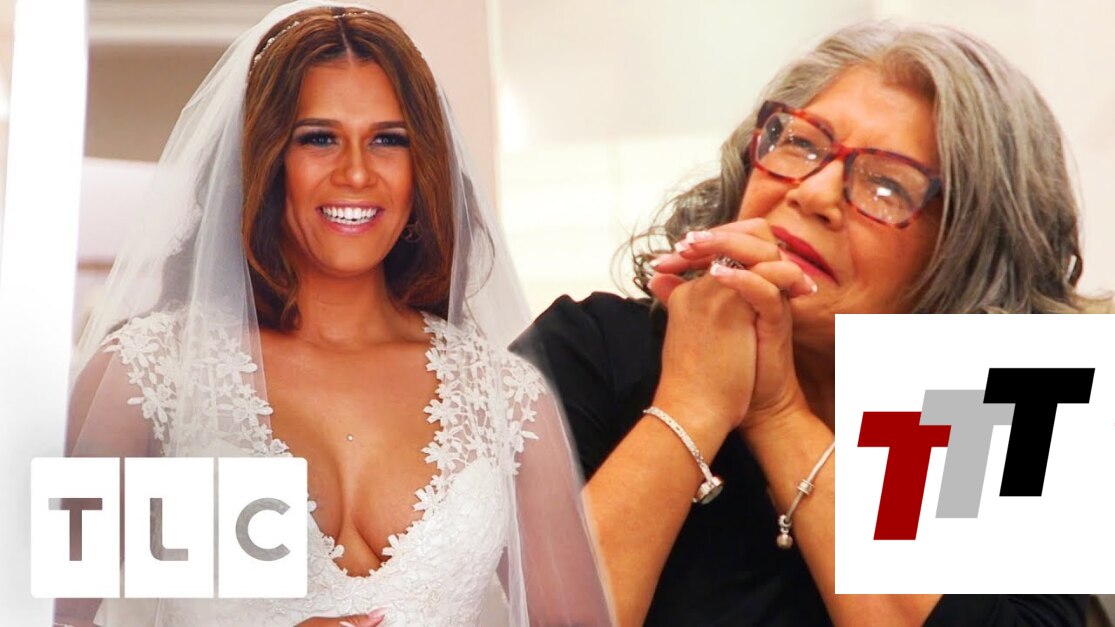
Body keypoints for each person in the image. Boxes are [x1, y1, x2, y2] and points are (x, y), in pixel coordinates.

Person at [513, 21, 1104, 627]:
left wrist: (779, 416)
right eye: (801, 142)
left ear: (967, 248)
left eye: (885, 183)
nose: (815, 193)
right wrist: (692, 402)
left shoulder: (1019, 412)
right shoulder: (589, 351)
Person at [57, 2, 611, 626]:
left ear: (421, 167)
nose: (356, 172)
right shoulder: (146, 377)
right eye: (319, 138)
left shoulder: (504, 399)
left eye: (388, 140)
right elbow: (34, 615)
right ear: (264, 161)